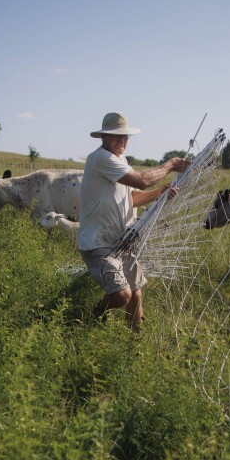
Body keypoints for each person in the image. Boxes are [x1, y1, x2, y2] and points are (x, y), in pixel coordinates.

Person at [78, 111, 190, 330]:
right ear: (103, 137)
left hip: (121, 241)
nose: (121, 141)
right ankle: (91, 322)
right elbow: (141, 181)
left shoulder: (120, 160)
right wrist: (170, 165)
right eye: (116, 136)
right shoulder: (100, 158)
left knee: (136, 295)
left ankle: (134, 344)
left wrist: (160, 194)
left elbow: (132, 198)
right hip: (97, 243)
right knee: (122, 295)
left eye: (125, 137)